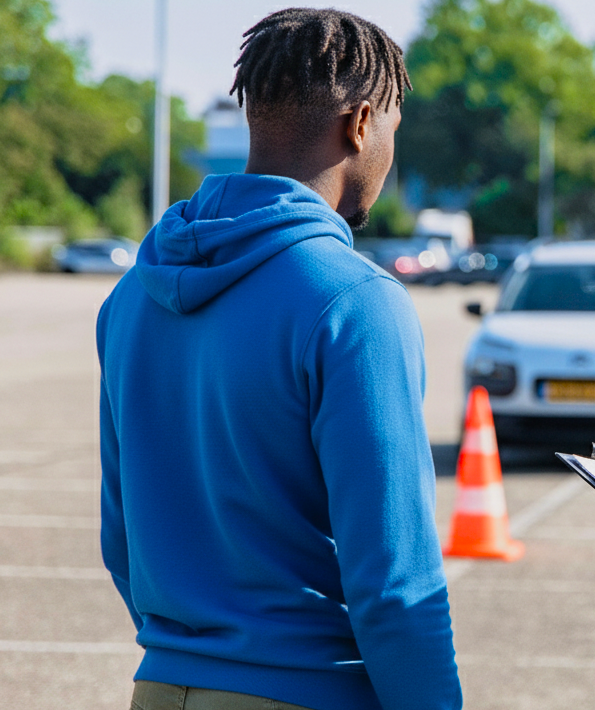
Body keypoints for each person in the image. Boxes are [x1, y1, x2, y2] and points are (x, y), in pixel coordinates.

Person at [96, 9, 461, 710]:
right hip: (307, 692)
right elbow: (394, 585)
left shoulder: (130, 298)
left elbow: (123, 539)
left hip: (160, 687)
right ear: (360, 125)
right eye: (391, 132)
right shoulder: (355, 303)